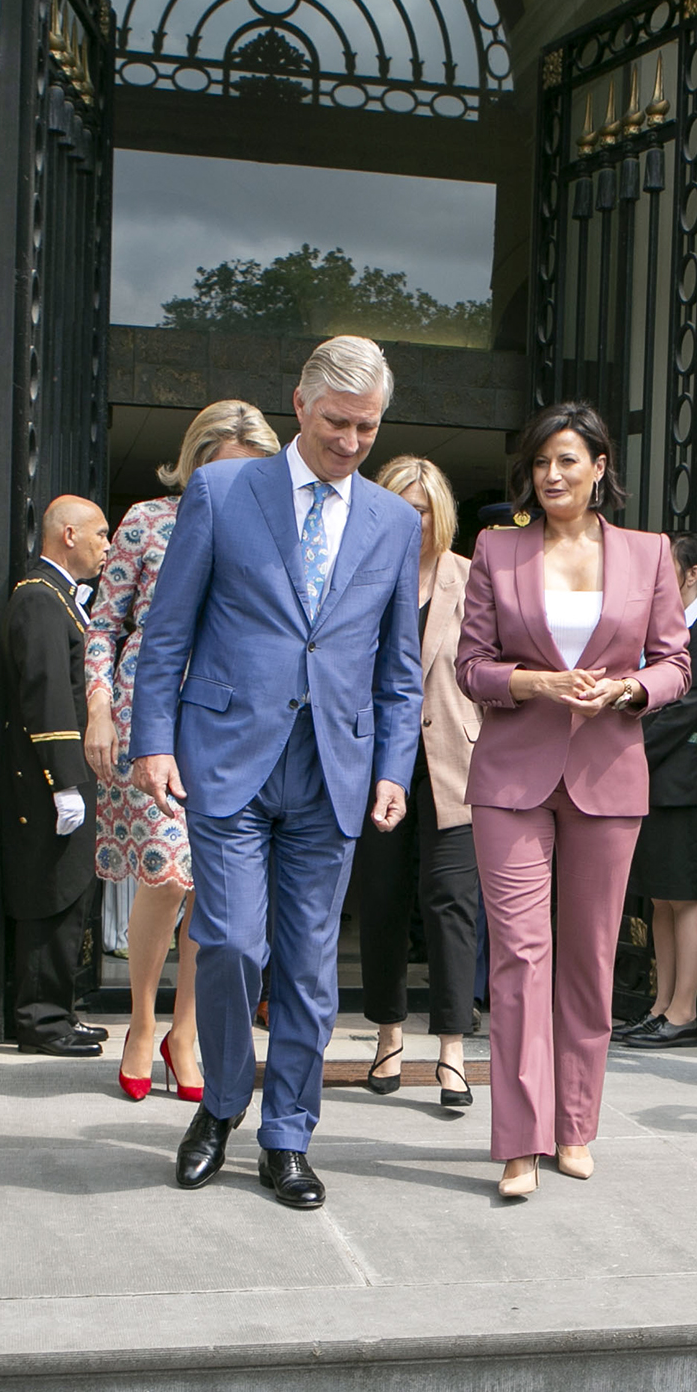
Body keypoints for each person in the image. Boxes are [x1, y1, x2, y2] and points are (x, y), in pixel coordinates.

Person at [128, 335, 424, 1210]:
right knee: (229, 941)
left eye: (368, 427)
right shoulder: (224, 491)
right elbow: (168, 631)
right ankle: (221, 1103)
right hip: (226, 761)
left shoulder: (393, 522)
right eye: (338, 422)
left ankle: (288, 1134)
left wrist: (393, 766)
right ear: (300, 403)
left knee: (307, 968)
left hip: (334, 767)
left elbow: (398, 667)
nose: (351, 442)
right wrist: (153, 740)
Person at [457, 400, 691, 1200]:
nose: (551, 475)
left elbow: (675, 664)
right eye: (540, 462)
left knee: (590, 960)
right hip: (511, 777)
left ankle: (575, 1126)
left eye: (567, 461)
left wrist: (628, 690)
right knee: (521, 957)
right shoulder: (496, 549)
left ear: (599, 469)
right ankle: (518, 1141)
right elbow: (472, 666)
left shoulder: (648, 554)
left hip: (608, 774)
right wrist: (535, 682)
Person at [84, 400, 280, 1102]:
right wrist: (98, 708)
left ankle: (185, 1033)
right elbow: (102, 626)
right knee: (167, 878)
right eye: (224, 474)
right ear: (194, 466)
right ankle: (141, 1022)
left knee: (213, 887)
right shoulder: (147, 521)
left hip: (229, 725)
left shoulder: (272, 531)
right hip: (150, 718)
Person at [352, 452, 481, 1110]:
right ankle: (387, 1036)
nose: (413, 516)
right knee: (382, 902)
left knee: (452, 905)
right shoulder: (362, 578)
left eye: (424, 506)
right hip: (379, 766)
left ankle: (454, 1049)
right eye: (401, 503)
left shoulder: (472, 579)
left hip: (455, 765)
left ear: (441, 514)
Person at [0, 496, 112, 1054]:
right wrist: (65, 780)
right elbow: (46, 698)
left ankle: (59, 1011)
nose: (107, 546)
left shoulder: (59, 598)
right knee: (50, 892)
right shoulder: (40, 599)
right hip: (46, 779)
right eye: (100, 534)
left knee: (70, 893)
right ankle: (40, 1021)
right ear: (68, 534)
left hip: (65, 776)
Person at [619, 531, 697, 1052]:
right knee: (660, 901)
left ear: (692, 574)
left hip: (686, 789)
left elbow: (680, 714)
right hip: (655, 786)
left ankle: (684, 1011)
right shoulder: (661, 631)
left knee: (686, 899)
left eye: (666, 567)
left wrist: (621, 750)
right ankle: (660, 1005)